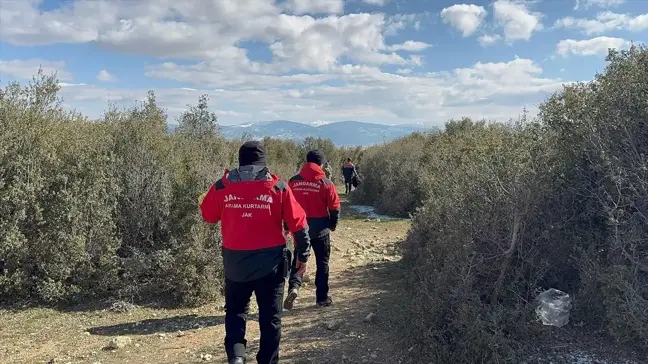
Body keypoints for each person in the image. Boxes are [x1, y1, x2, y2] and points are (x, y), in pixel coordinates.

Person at [199, 140, 311, 364]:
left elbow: (208, 215)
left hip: (235, 264)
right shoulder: (278, 187)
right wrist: (303, 255)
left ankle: (237, 358)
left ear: (240, 161)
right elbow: (299, 224)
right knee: (270, 319)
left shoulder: (222, 186)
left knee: (235, 314)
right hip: (270, 266)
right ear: (263, 162)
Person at [284, 150, 341, 309]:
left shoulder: (293, 182)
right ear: (321, 165)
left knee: (299, 259)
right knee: (322, 262)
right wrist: (332, 224)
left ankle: (294, 289)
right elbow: (335, 206)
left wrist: (287, 226)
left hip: (300, 228)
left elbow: (287, 206)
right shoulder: (326, 183)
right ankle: (322, 298)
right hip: (321, 228)